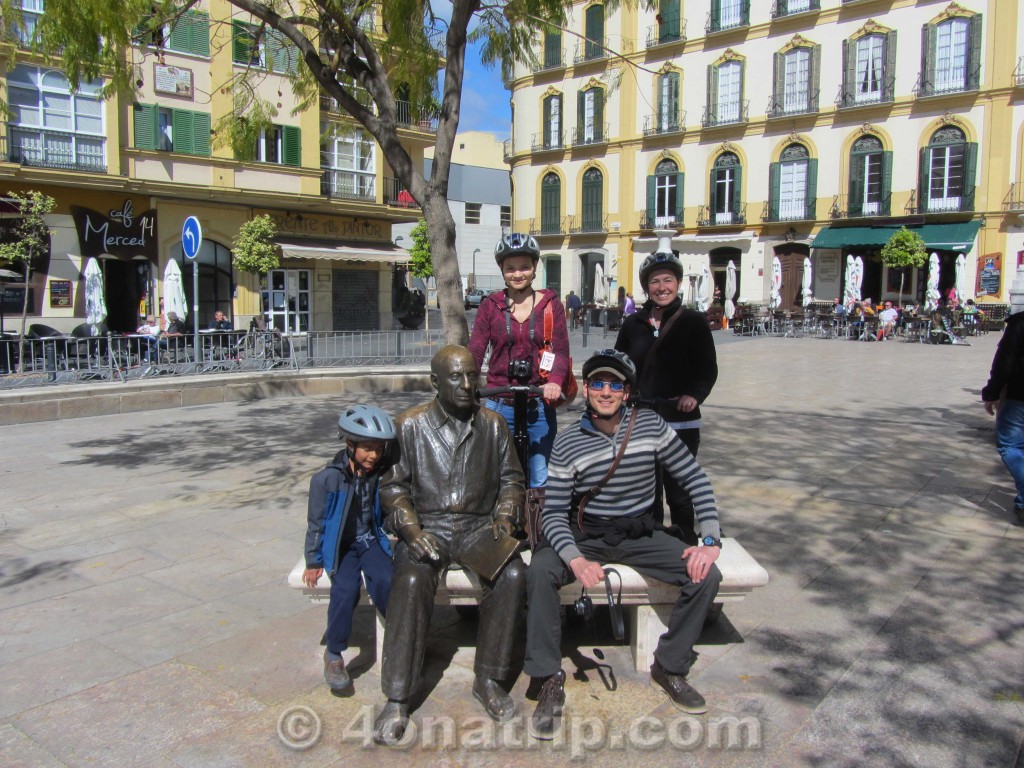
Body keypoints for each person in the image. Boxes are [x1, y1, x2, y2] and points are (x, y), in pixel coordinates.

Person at [524, 349, 722, 739]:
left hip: (639, 533)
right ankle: (548, 676)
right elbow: (553, 514)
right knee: (541, 570)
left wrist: (710, 539)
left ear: (627, 392)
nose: (606, 391)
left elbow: (695, 479)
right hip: (587, 534)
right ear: (586, 389)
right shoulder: (566, 444)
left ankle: (670, 665)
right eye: (598, 382)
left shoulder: (650, 426)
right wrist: (576, 560)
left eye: (616, 384)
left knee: (706, 576)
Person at [373, 345, 527, 744]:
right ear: (435, 382)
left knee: (512, 574)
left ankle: (490, 679)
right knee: (409, 582)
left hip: (479, 526)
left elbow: (513, 480)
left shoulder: (493, 425)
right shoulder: (409, 425)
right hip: (430, 526)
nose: (466, 385)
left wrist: (505, 518)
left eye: (471, 376)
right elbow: (393, 488)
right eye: (456, 377)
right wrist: (411, 530)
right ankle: (397, 695)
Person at [615, 248, 718, 542]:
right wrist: (620, 393)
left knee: (680, 490)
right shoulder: (633, 324)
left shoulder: (693, 322)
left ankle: (685, 541)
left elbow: (707, 368)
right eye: (655, 282)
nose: (662, 288)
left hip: (680, 420)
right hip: (641, 419)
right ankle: (653, 544)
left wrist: (694, 395)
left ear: (678, 283)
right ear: (647, 287)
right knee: (646, 489)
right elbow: (619, 364)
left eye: (668, 280)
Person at [302, 404, 397, 692]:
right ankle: (334, 654)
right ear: (350, 443)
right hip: (342, 546)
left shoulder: (379, 473)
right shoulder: (326, 480)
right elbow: (316, 523)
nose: (373, 455)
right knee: (344, 590)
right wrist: (313, 560)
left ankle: (398, 636)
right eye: (367, 448)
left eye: (378, 449)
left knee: (385, 579)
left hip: (369, 540)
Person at [468, 233, 570, 489]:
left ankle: (536, 526)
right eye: (510, 268)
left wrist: (555, 382)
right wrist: (466, 381)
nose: (517, 274)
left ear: (535, 266)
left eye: (524, 266)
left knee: (539, 475)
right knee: (494, 475)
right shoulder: (490, 305)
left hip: (538, 402)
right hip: (500, 402)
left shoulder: (550, 305)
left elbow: (559, 351)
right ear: (502, 270)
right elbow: (477, 349)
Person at [983, 310, 1024, 525]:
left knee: (1010, 444)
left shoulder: (1020, 323)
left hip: (1019, 395)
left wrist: (992, 392)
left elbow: (1004, 362)